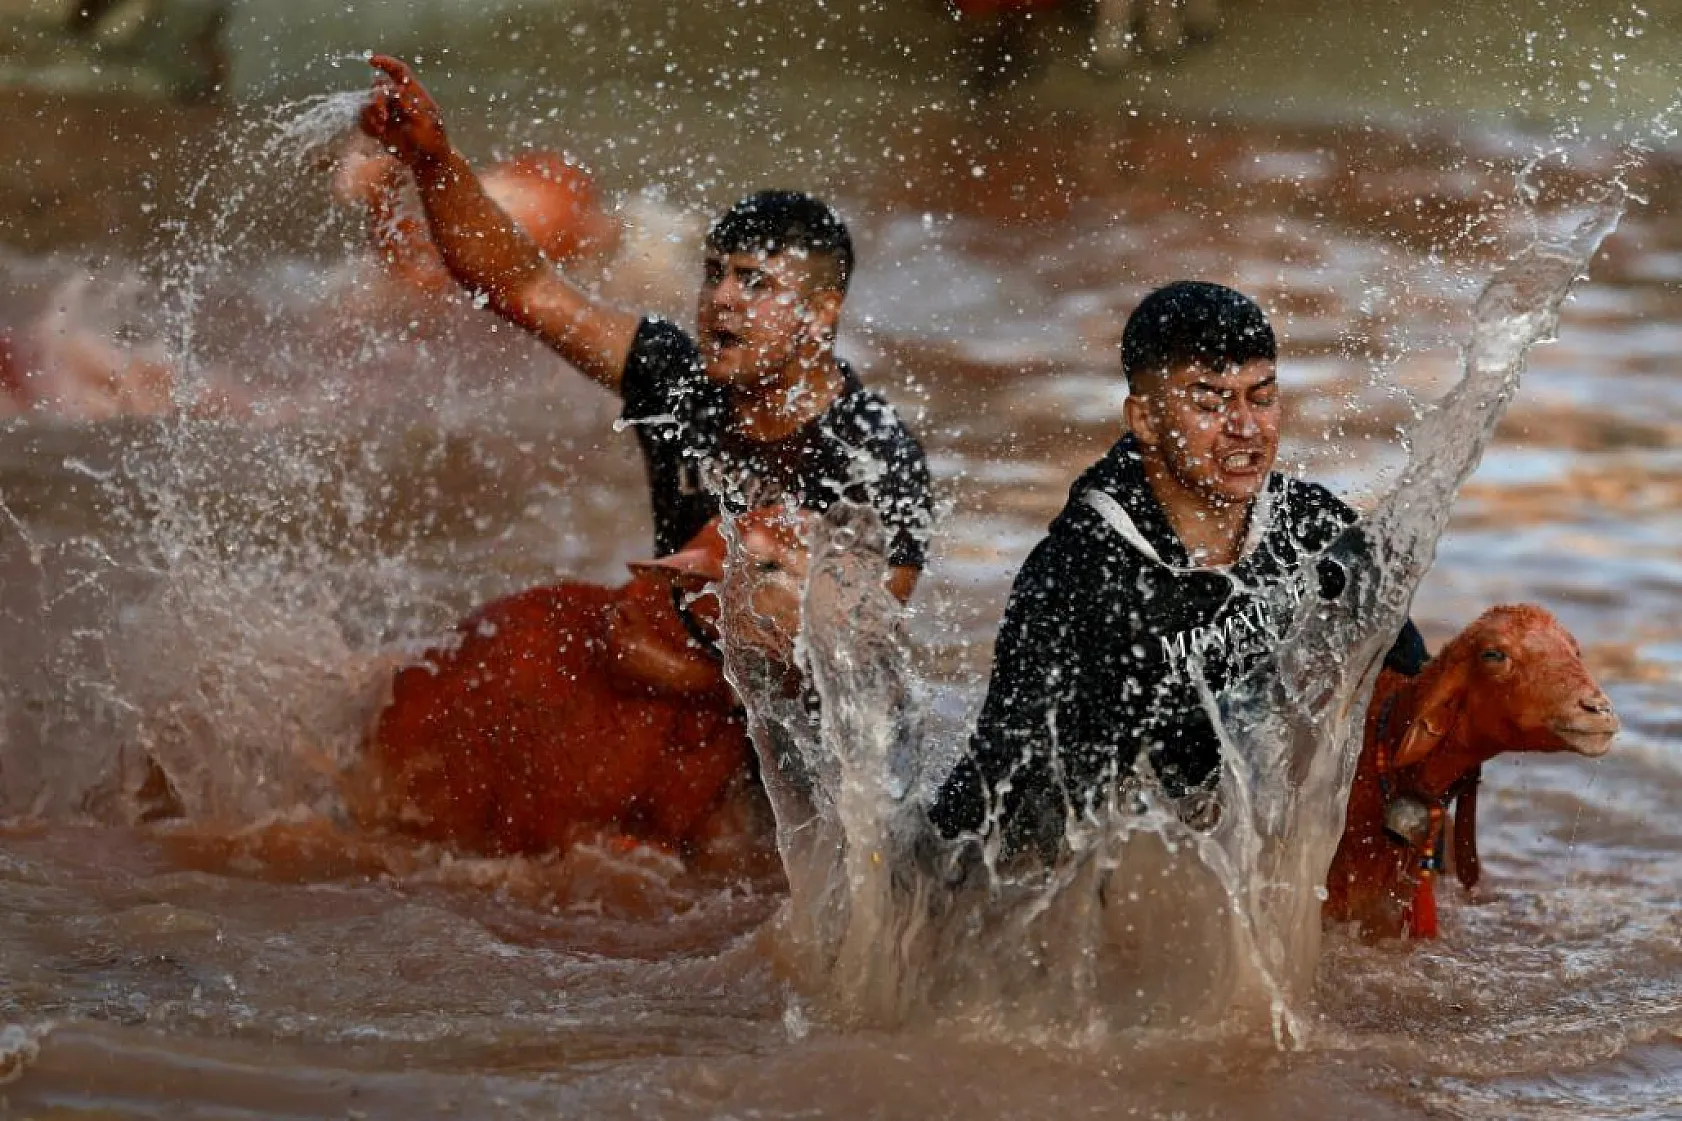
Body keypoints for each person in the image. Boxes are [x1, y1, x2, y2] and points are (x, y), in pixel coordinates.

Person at [356, 54, 933, 678]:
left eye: (755, 282)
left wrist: (681, 668)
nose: (721, 299)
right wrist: (435, 162)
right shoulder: (676, 378)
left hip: (770, 713)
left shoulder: (874, 460)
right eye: (714, 273)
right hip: (679, 659)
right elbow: (523, 286)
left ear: (820, 312)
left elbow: (849, 663)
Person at [929, 280, 1426, 863]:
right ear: (1144, 419)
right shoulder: (1082, 576)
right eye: (1210, 402)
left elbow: (1414, 687)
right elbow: (1012, 802)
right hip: (1072, 867)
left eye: (1261, 397)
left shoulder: (1310, 528)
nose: (1245, 427)